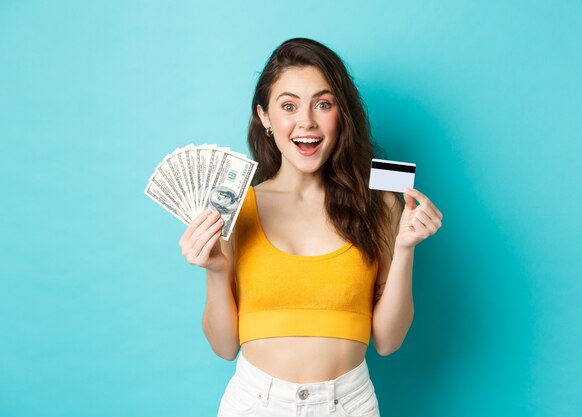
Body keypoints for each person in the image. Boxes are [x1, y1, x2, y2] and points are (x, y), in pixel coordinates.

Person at [178, 38, 443, 417]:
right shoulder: (236, 207)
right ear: (264, 117)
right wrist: (216, 270)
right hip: (254, 403)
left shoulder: (380, 204)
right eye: (288, 106)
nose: (306, 122)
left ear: (341, 114)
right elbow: (224, 347)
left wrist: (405, 248)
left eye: (323, 104)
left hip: (349, 404)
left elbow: (388, 341)